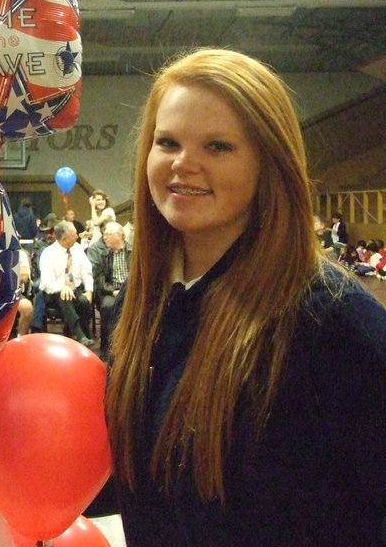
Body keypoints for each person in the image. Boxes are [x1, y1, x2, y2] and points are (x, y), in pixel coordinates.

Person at [104, 48, 386, 546]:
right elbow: (135, 481)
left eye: (218, 146)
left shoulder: (331, 320)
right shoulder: (139, 304)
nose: (183, 165)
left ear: (268, 163)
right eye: (167, 142)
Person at [32, 220, 94, 347]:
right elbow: (47, 282)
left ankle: (82, 334)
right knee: (64, 297)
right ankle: (79, 334)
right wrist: (62, 287)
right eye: (74, 235)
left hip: (74, 289)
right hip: (53, 292)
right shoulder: (48, 253)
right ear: (64, 239)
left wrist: (89, 290)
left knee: (84, 302)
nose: (77, 237)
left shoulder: (77, 249)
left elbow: (87, 271)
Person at [86, 221, 130, 356]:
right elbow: (99, 280)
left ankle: (130, 345)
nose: (104, 238)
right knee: (108, 307)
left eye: (108, 235)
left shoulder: (134, 251)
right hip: (110, 292)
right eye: (104, 235)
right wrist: (112, 291)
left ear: (119, 236)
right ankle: (106, 347)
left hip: (131, 290)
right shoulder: (103, 254)